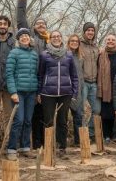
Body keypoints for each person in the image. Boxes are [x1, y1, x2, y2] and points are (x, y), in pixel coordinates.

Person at [38, 31, 78, 159]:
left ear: (61, 38)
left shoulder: (69, 55)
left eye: (58, 36)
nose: (56, 38)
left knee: (62, 121)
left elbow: (74, 75)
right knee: (48, 121)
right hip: (48, 93)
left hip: (65, 93)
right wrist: (39, 92)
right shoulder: (44, 55)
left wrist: (74, 92)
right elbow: (40, 74)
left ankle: (62, 148)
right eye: (53, 36)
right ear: (50, 39)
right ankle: (49, 147)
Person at [17, 0, 49, 149]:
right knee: (32, 114)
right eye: (38, 24)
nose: (41, 25)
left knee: (44, 113)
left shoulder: (51, 41)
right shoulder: (31, 38)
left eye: (43, 24)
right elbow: (21, 20)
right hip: (32, 79)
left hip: (47, 81)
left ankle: (45, 143)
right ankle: (33, 144)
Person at [5, 28, 39, 160]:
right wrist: (13, 92)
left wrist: (36, 91)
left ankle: (25, 148)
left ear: (30, 38)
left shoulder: (34, 54)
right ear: (18, 40)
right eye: (22, 36)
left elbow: (36, 74)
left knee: (28, 120)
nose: (25, 38)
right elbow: (9, 74)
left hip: (31, 92)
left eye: (27, 36)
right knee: (18, 120)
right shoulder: (14, 53)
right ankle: (11, 149)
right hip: (18, 92)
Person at [97, 34, 116, 143]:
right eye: (108, 39)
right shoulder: (100, 54)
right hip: (104, 87)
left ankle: (114, 134)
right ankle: (106, 135)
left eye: (113, 40)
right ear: (105, 41)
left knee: (115, 110)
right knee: (105, 111)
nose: (110, 41)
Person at [79, 22, 100, 140]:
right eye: (88, 30)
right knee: (81, 110)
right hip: (83, 82)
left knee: (97, 109)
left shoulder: (96, 47)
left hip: (94, 83)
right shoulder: (79, 45)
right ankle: (82, 136)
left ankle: (90, 132)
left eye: (92, 30)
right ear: (84, 32)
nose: (90, 32)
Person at [67, 34, 84, 146]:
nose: (74, 42)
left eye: (76, 41)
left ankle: (78, 142)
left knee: (78, 116)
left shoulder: (80, 57)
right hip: (65, 90)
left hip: (77, 90)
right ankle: (61, 143)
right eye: (72, 41)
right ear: (68, 43)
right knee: (62, 119)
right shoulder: (64, 55)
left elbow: (80, 75)